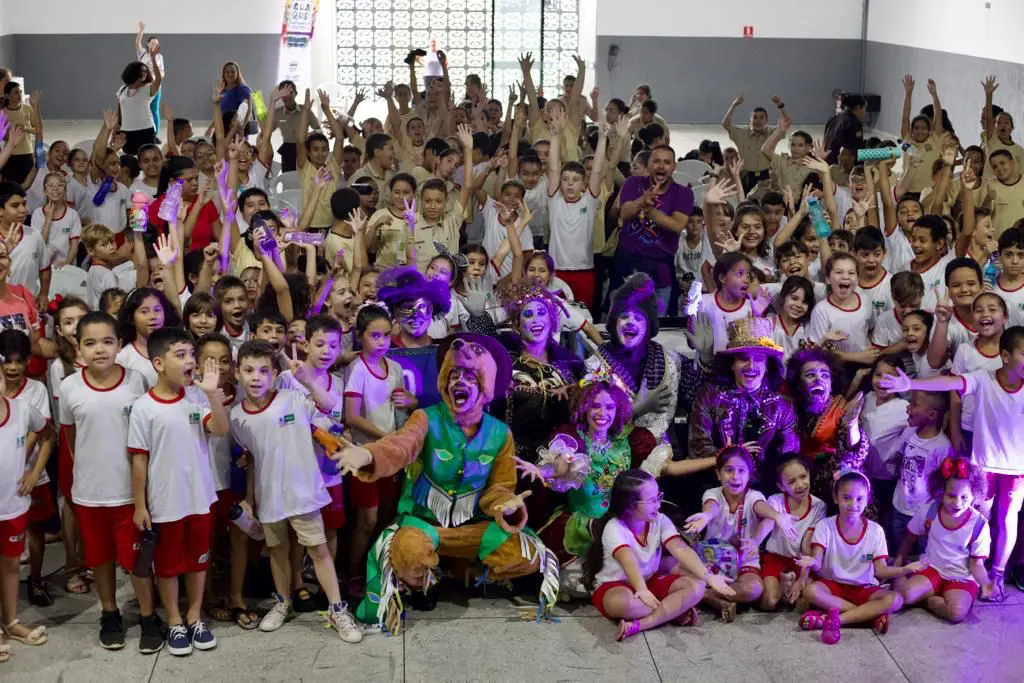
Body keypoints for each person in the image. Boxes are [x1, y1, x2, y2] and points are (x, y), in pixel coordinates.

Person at [339, 333, 558, 630]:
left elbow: (500, 487)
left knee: (526, 554)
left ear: (485, 386)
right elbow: (401, 445)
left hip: (473, 527)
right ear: (444, 381)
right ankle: (425, 581)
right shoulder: (425, 418)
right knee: (408, 553)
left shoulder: (499, 433)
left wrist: (505, 505)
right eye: (454, 375)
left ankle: (464, 569)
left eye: (470, 376)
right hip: (426, 525)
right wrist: (367, 455)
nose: (460, 382)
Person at [228, 340, 363, 642]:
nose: (255, 377)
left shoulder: (293, 398)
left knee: (318, 549)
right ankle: (282, 602)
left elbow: (330, 406)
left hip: (303, 493)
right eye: (248, 370)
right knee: (277, 551)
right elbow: (250, 461)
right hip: (269, 498)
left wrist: (306, 380)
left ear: (274, 373)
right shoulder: (236, 417)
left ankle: (337, 608)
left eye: (263, 370)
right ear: (238, 373)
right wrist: (250, 499)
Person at [878, 326, 1024, 601]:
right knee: (978, 518)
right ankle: (964, 570)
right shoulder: (984, 378)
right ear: (1005, 356)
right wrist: (912, 384)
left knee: (1007, 519)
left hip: (1017, 469)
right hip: (984, 464)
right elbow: (949, 383)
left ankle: (998, 574)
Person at [58, 311, 163, 652]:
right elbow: (72, 437)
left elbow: (148, 435)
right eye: (90, 343)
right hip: (89, 493)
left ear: (119, 344)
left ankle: (149, 616)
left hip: (128, 494)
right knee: (100, 559)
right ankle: (109, 613)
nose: (99, 349)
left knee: (137, 562)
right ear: (79, 347)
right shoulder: (69, 386)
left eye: (107, 341)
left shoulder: (137, 381)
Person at [127, 327, 228, 656]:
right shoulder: (144, 407)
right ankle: (173, 620)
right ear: (158, 363)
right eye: (180, 355)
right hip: (165, 502)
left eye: (191, 354)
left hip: (199, 498)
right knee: (168, 566)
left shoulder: (198, 397)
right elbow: (139, 461)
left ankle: (194, 616)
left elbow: (221, 430)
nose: (190, 361)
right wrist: (140, 506)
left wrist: (213, 394)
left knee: (199, 561)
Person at [517, 372, 663, 596]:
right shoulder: (572, 439)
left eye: (610, 407)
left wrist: (721, 460)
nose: (603, 413)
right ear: (584, 408)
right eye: (595, 406)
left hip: (621, 522)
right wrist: (542, 471)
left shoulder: (627, 443)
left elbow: (667, 467)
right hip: (583, 525)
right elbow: (561, 466)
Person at [582, 469, 734, 640]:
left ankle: (641, 624)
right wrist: (641, 589)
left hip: (650, 581)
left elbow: (679, 548)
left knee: (697, 586)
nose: (658, 504)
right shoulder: (614, 527)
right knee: (624, 604)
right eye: (652, 501)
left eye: (658, 497)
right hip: (616, 586)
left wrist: (709, 577)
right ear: (630, 506)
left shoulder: (660, 520)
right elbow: (628, 560)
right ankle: (673, 611)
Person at [684, 445, 796, 621]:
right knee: (676, 567)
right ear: (718, 474)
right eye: (729, 470)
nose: (735, 477)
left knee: (754, 590)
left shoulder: (754, 496)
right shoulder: (712, 493)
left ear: (749, 475)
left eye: (741, 471)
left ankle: (705, 595)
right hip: (712, 561)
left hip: (744, 563)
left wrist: (777, 516)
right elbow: (712, 507)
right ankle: (713, 598)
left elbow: (762, 508)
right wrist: (705, 517)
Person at [343, 304, 407, 598]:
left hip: (390, 456)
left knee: (385, 516)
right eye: (374, 336)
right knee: (366, 520)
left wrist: (412, 401)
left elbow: (404, 405)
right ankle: (352, 572)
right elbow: (352, 417)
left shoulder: (393, 368)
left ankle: (376, 566)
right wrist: (387, 438)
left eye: (385, 336)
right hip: (365, 455)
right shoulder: (357, 370)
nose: (381, 342)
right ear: (360, 337)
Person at [688, 316, 798, 487]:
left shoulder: (783, 405)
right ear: (732, 364)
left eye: (759, 359)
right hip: (715, 485)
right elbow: (698, 446)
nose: (751, 366)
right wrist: (734, 458)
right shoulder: (708, 395)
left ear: (767, 366)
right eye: (743, 358)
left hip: (766, 489)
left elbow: (788, 454)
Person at [799, 470, 907, 634]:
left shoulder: (875, 530)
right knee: (810, 591)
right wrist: (811, 562)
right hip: (832, 586)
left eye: (859, 499)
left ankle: (833, 619)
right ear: (836, 498)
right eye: (846, 498)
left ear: (867, 500)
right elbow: (817, 562)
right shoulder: (825, 526)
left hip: (863, 588)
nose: (853, 504)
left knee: (896, 599)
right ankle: (867, 616)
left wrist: (906, 569)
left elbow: (881, 570)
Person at [895, 457, 994, 622]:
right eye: (951, 496)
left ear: (974, 495)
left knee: (956, 613)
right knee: (904, 595)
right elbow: (909, 538)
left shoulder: (978, 524)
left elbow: (976, 564)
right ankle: (926, 596)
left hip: (961, 578)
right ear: (940, 491)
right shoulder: (929, 512)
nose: (957, 502)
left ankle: (927, 600)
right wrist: (898, 565)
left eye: (964, 497)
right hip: (932, 569)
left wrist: (986, 584)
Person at [0, 330, 55, 608]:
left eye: (18, 361)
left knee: (34, 528)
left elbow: (40, 433)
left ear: (28, 362)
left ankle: (35, 579)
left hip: (30, 476)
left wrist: (26, 470)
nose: (12, 368)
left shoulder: (36, 390)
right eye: (6, 361)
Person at [609, 146, 693, 308]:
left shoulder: (683, 193)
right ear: (648, 165)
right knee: (619, 318)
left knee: (657, 325)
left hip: (660, 268)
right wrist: (642, 201)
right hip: (626, 263)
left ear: (674, 167)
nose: (661, 166)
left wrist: (650, 211)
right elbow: (624, 213)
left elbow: (677, 225)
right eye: (656, 161)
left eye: (667, 162)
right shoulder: (633, 183)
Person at [786, 348, 870, 506]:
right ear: (798, 384)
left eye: (825, 375)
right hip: (800, 485)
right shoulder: (789, 408)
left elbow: (856, 453)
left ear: (831, 385)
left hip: (833, 488)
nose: (819, 380)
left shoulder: (841, 409)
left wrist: (851, 424)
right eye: (810, 375)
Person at [760, 454, 826, 611]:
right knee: (769, 603)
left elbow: (808, 544)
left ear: (809, 474)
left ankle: (789, 583)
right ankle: (783, 584)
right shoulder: (775, 501)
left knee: (801, 607)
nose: (801, 484)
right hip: (776, 559)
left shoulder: (819, 506)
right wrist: (754, 543)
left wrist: (802, 578)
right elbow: (767, 524)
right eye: (791, 481)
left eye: (803, 476)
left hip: (801, 561)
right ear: (782, 486)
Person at [721, 94, 786, 193]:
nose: (758, 121)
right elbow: (725, 124)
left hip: (766, 176)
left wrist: (780, 105)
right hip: (747, 175)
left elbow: (786, 122)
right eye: (755, 117)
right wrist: (734, 105)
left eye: (761, 118)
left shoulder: (772, 133)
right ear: (750, 120)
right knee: (745, 204)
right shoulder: (741, 133)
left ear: (766, 120)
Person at [117, 56, 162, 155]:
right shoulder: (122, 90)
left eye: (146, 71)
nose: (144, 73)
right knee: (129, 159)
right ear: (133, 72)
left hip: (146, 130)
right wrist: (115, 130)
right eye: (142, 71)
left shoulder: (148, 89)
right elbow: (119, 111)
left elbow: (158, 79)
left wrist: (153, 59)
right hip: (126, 131)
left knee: (147, 157)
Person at [823, 94, 866, 165]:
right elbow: (857, 149)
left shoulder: (832, 118)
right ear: (858, 107)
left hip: (827, 159)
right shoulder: (854, 123)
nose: (865, 112)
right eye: (864, 108)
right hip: (841, 163)